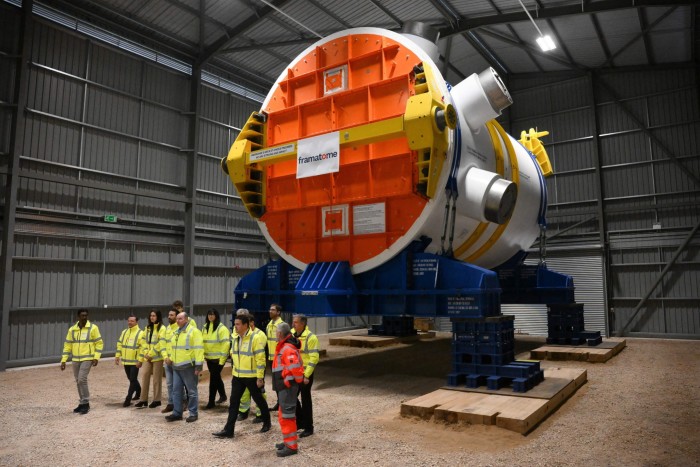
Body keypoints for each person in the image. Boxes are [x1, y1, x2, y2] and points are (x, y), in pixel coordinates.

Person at [212, 314, 271, 438]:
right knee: (234, 403)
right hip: (237, 376)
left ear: (246, 325)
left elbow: (261, 360)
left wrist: (260, 378)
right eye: (235, 324)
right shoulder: (235, 338)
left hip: (251, 376)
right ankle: (229, 430)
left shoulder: (255, 338)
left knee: (259, 400)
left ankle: (267, 422)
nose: (235, 326)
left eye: (238, 324)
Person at [60, 309, 103, 415]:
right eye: (82, 316)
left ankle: (86, 403)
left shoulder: (93, 328)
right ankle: (82, 403)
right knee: (77, 380)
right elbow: (67, 345)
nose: (84, 317)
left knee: (82, 380)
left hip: (87, 358)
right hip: (75, 359)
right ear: (78, 317)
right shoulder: (72, 330)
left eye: (86, 316)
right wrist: (64, 360)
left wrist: (96, 357)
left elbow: (99, 343)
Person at [272, 322, 304, 457]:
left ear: (280, 334)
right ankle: (287, 442)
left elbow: (296, 371)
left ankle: (291, 446)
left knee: (288, 416)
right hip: (284, 387)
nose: (275, 334)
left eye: (276, 332)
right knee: (283, 415)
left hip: (287, 387)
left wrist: (289, 380)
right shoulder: (284, 347)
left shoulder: (287, 349)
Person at [165, 312, 203, 423]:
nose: (177, 321)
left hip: (188, 367)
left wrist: (198, 366)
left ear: (186, 319)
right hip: (176, 367)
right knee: (176, 391)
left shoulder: (194, 332)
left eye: (180, 319)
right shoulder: (176, 332)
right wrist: (170, 358)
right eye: (177, 319)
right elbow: (173, 348)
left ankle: (193, 413)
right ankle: (177, 413)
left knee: (191, 391)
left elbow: (199, 349)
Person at [237, 309, 267, 423]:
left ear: (252, 323)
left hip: (256, 370)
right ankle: (243, 411)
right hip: (244, 370)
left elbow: (258, 355)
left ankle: (261, 414)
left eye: (246, 323)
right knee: (244, 392)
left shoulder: (260, 335)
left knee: (259, 392)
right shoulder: (241, 335)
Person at [293, 313, 319, 437]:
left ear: (302, 324)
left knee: (305, 400)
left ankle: (309, 427)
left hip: (305, 374)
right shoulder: (292, 335)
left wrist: (307, 375)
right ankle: (301, 422)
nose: (293, 324)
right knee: (292, 397)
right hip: (295, 372)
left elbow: (314, 358)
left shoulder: (311, 337)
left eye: (296, 322)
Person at [135, 309, 166, 409]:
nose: (152, 317)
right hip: (147, 357)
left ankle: (157, 400)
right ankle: (143, 399)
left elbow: (160, 343)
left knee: (156, 379)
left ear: (158, 317)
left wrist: (151, 353)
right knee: (145, 376)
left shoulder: (162, 328)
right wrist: (145, 353)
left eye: (154, 316)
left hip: (157, 358)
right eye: (151, 316)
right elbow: (143, 341)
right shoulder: (147, 328)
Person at [202, 308, 230, 409]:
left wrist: (222, 360)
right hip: (209, 359)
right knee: (216, 378)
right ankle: (223, 395)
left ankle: (211, 401)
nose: (210, 316)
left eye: (213, 315)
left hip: (218, 360)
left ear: (216, 316)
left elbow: (225, 345)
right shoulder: (205, 327)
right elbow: (203, 342)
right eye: (209, 314)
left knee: (213, 380)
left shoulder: (222, 329)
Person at [115, 314, 144, 407]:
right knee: (132, 379)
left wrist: (140, 360)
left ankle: (128, 399)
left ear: (136, 322)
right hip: (126, 360)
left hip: (135, 361)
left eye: (132, 321)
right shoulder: (124, 332)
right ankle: (139, 391)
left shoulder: (141, 333)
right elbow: (119, 344)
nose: (130, 322)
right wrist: (117, 356)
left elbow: (143, 348)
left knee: (132, 379)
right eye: (129, 321)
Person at [266, 304, 285, 411]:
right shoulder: (269, 325)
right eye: (270, 309)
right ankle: (279, 403)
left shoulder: (282, 325)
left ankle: (282, 404)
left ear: (278, 312)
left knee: (281, 382)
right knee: (276, 383)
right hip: (271, 358)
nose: (270, 311)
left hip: (279, 359)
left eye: (273, 310)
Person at [160, 308, 178, 413]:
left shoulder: (179, 329)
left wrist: (171, 358)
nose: (169, 317)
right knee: (169, 384)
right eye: (169, 315)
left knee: (178, 384)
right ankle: (171, 403)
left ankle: (181, 402)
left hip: (176, 361)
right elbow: (163, 344)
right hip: (167, 361)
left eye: (171, 315)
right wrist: (165, 357)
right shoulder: (167, 329)